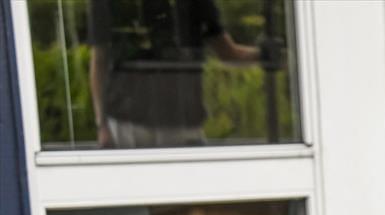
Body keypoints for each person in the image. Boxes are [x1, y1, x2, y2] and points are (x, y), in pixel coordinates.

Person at [88, 0, 264, 148]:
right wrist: (102, 126)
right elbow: (99, 61)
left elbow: (227, 52)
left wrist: (264, 54)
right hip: (138, 123)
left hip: (169, 121)